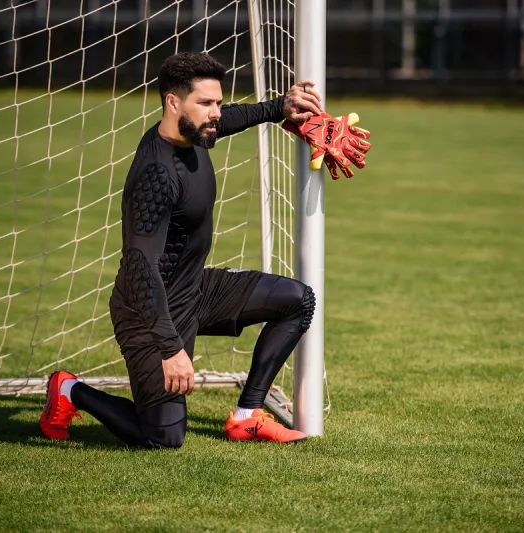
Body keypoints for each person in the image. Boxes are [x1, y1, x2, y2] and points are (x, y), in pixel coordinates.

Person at [39, 52, 325, 448]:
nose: (216, 113)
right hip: (148, 310)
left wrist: (281, 107)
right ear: (173, 103)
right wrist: (170, 348)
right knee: (162, 437)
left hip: (195, 290)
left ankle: (246, 416)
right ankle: (70, 390)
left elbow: (231, 120)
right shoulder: (156, 174)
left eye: (217, 102)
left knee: (298, 301)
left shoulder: (193, 131)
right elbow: (139, 265)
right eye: (205, 104)